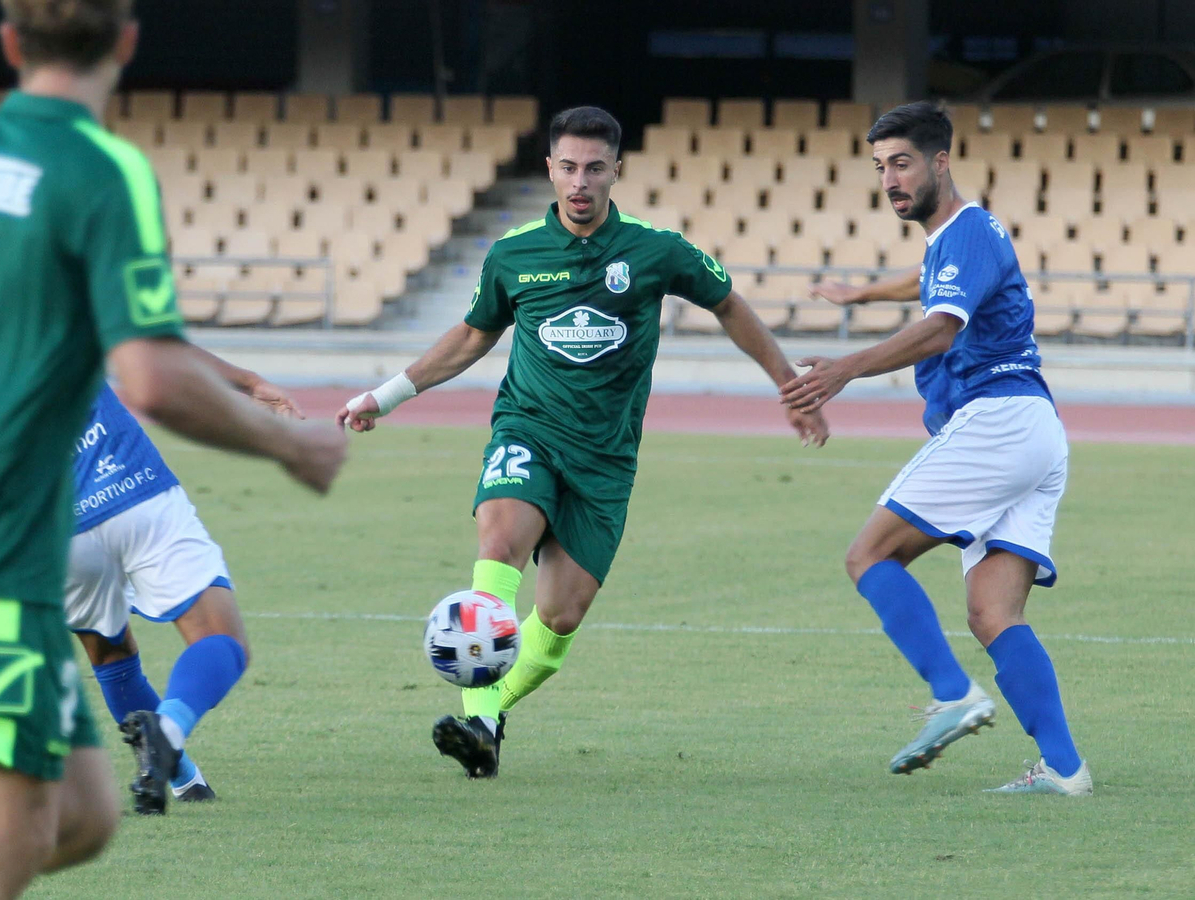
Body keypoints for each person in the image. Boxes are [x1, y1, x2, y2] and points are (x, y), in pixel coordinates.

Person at [0, 1, 347, 897]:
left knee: (81, 816)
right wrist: (288, 449)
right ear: (127, 43)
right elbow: (153, 377)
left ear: (9, 43)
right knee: (7, 836)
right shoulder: (101, 172)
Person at [340, 106, 829, 778]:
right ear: (549, 168)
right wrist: (387, 394)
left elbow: (727, 303)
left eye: (594, 169)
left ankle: (488, 717)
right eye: (568, 167)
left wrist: (787, 382)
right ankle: (479, 720)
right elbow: (473, 334)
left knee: (559, 620)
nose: (580, 182)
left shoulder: (656, 251)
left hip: (605, 460)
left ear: (616, 171)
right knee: (498, 548)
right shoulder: (514, 253)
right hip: (529, 430)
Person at [0, 336, 304, 814]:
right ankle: (168, 730)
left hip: (53, 529)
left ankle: (185, 781)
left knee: (111, 653)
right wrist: (248, 382)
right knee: (220, 639)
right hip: (135, 489)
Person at [783, 101, 1090, 796]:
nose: (890, 180)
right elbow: (925, 281)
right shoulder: (955, 239)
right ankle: (1065, 770)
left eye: (902, 163)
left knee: (868, 555)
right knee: (993, 614)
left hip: (996, 420)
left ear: (941, 162)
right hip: (1034, 432)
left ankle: (952, 694)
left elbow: (943, 325)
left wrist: (844, 369)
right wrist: (862, 292)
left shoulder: (969, 230)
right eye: (880, 167)